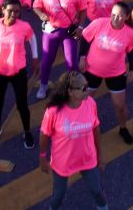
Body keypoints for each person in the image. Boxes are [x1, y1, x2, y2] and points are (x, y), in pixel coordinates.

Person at [39, 71, 107, 210]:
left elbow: (95, 128)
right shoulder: (53, 111)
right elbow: (44, 134)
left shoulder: (90, 103)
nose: (87, 90)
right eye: (83, 88)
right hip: (62, 161)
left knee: (97, 190)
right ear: (70, 91)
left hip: (87, 158)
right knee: (59, 195)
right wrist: (42, 158)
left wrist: (99, 155)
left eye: (87, 85)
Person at [0, 0, 39, 149]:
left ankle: (27, 131)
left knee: (22, 105)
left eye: (17, 12)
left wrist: (35, 58)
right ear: (2, 10)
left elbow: (33, 39)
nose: (14, 15)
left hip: (17, 71)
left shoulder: (24, 26)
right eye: (10, 11)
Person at [79, 2, 133, 144]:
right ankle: (84, 128)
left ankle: (123, 128)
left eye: (120, 16)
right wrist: (82, 57)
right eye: (113, 14)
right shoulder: (99, 23)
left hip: (116, 73)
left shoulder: (129, 33)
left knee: (120, 107)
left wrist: (132, 69)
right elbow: (85, 38)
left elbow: (131, 50)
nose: (115, 19)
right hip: (92, 70)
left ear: (127, 17)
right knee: (84, 102)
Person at [32, 0, 87, 100]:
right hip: (51, 32)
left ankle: (73, 89)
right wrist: (41, 15)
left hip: (68, 33)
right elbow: (36, 6)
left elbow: (83, 9)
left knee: (71, 64)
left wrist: (80, 27)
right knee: (46, 62)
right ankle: (43, 86)